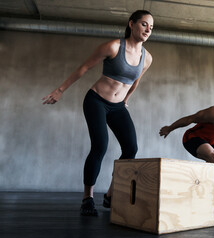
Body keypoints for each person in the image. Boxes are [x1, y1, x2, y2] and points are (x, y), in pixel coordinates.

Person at [42, 10, 154, 216]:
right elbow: (84, 67)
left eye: (151, 27)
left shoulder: (146, 58)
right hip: (96, 101)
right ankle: (87, 198)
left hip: (118, 106)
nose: (148, 30)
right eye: (144, 24)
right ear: (132, 24)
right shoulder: (113, 47)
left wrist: (126, 100)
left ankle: (110, 195)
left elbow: (135, 80)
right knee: (100, 146)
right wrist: (60, 90)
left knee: (131, 148)